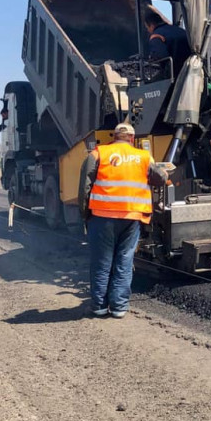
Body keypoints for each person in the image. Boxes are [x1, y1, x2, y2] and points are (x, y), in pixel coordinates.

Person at [79, 123, 168, 318]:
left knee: (101, 262)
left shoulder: (98, 153)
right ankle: (119, 307)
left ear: (114, 136)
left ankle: (99, 307)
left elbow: (85, 185)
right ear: (132, 138)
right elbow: (161, 177)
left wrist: (85, 215)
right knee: (124, 261)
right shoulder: (144, 157)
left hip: (102, 217)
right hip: (131, 218)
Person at [143, 7, 190, 78]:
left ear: (152, 25)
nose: (148, 31)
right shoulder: (181, 30)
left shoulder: (156, 36)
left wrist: (151, 58)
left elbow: (161, 57)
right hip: (190, 68)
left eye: (147, 28)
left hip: (175, 74)